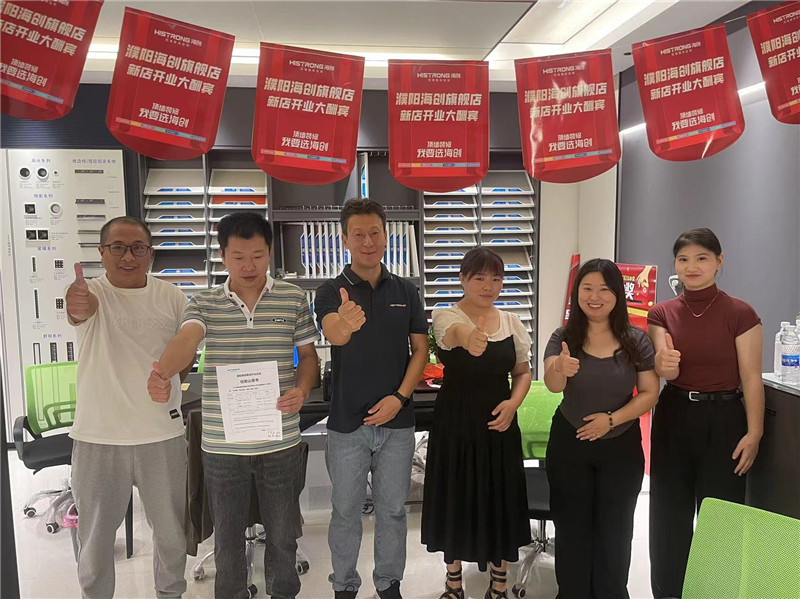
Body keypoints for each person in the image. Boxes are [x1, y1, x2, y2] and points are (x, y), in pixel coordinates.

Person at [147, 212, 320, 599]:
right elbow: (187, 340)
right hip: (223, 447)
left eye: (258, 256)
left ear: (269, 253)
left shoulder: (292, 297)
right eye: (238, 256)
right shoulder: (205, 302)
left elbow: (309, 357)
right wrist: (163, 371)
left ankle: (284, 593)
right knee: (226, 540)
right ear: (223, 255)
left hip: (280, 442)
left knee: (283, 535)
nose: (249, 266)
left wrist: (302, 388)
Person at [67, 216, 189, 599]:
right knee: (95, 541)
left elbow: (186, 350)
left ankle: (170, 593)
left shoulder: (173, 296)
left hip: (162, 435)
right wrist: (75, 301)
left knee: (171, 536)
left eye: (138, 248)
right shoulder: (92, 293)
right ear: (102, 253)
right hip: (99, 438)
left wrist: (171, 372)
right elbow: (78, 310)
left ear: (150, 253)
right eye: (117, 247)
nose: (128, 257)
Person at [314, 199, 428, 599]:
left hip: (397, 422)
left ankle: (389, 583)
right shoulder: (331, 291)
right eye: (358, 234)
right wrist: (344, 324)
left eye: (374, 233)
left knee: (393, 511)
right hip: (348, 424)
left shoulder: (406, 290)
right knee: (345, 512)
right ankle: (344, 586)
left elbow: (420, 350)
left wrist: (400, 397)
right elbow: (334, 332)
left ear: (385, 236)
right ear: (345, 240)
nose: (367, 241)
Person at [648, 228, 764, 599]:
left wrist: (755, 433)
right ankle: (669, 592)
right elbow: (663, 367)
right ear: (675, 265)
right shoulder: (662, 312)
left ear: (719, 262)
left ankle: (716, 592)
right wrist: (664, 363)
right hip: (675, 415)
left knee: (721, 517)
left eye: (701, 258)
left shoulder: (741, 313)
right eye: (683, 259)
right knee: (669, 512)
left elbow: (751, 377)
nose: (691, 266)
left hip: (725, 418)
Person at [544, 258, 659, 599]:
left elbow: (650, 393)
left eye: (604, 290)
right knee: (572, 529)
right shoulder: (564, 337)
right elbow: (552, 384)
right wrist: (560, 366)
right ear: (577, 292)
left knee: (616, 531)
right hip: (570, 443)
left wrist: (610, 420)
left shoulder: (636, 339)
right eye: (587, 289)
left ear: (617, 294)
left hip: (620, 446)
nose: (594, 297)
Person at [423, 247, 532, 599]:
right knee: (455, 494)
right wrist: (469, 339)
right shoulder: (446, 315)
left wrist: (514, 404)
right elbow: (453, 334)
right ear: (463, 279)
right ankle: (453, 582)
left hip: (500, 422)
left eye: (496, 279)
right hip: (455, 422)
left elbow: (523, 372)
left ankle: (499, 583)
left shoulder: (511, 322)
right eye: (480, 278)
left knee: (498, 496)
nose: (489, 286)